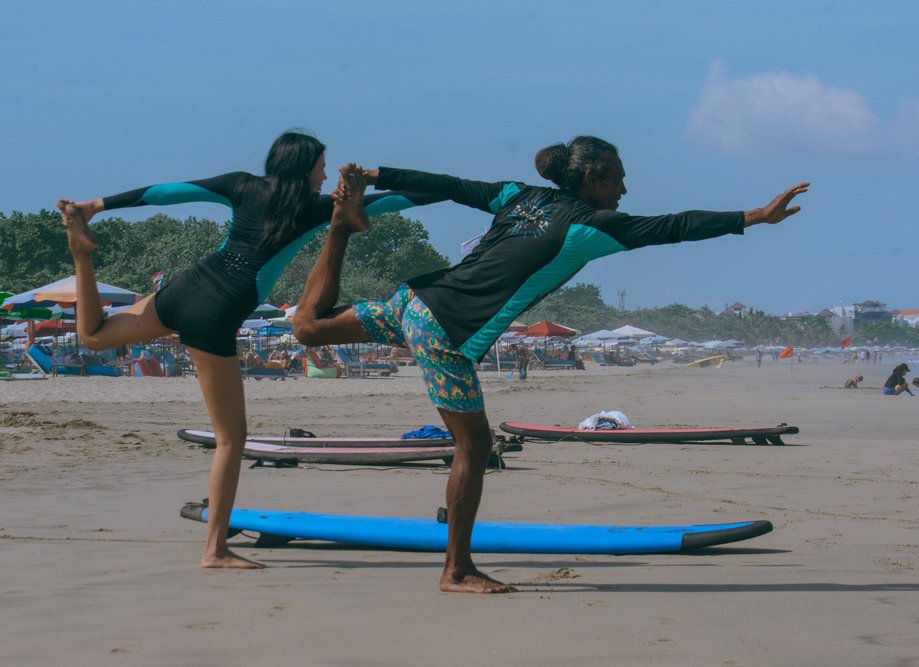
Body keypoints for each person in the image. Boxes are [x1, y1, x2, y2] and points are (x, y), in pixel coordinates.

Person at [293, 137, 809, 593]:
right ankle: (456, 570)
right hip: (446, 332)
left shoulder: (518, 194)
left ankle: (340, 228)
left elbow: (449, 184)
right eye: (619, 179)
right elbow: (674, 226)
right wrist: (755, 217)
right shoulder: (590, 226)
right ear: (592, 178)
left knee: (308, 328)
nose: (625, 190)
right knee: (473, 446)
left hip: (413, 301)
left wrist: (379, 175)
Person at [55, 131, 439, 569]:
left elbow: (164, 193)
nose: (326, 174)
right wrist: (457, 191)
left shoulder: (241, 184)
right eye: (321, 166)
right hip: (216, 311)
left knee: (94, 336)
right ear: (304, 167)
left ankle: (81, 256)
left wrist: (95, 206)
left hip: (188, 286)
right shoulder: (318, 209)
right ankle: (215, 550)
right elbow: (402, 200)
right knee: (231, 439)